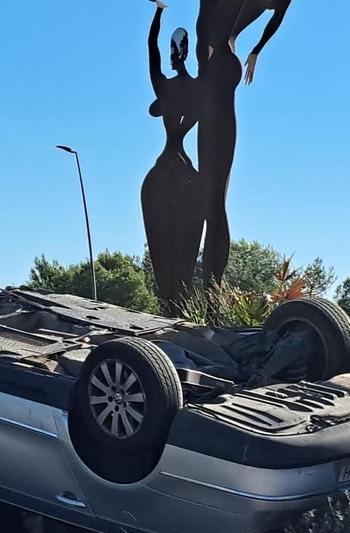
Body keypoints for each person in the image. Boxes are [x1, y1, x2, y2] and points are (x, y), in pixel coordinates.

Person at [196, 0, 292, 283]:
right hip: (218, 68)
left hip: (219, 68)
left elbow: (274, 18)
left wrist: (257, 50)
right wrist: (256, 50)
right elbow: (276, 18)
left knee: (214, 197)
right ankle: (211, 293)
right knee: (211, 195)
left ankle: (212, 293)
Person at [142, 0, 204, 310]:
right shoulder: (198, 89)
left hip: (166, 164)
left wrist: (159, 12)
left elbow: (150, 44)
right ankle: (176, 300)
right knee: (182, 241)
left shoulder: (164, 87)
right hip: (183, 165)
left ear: (173, 53)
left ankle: (171, 299)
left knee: (166, 242)